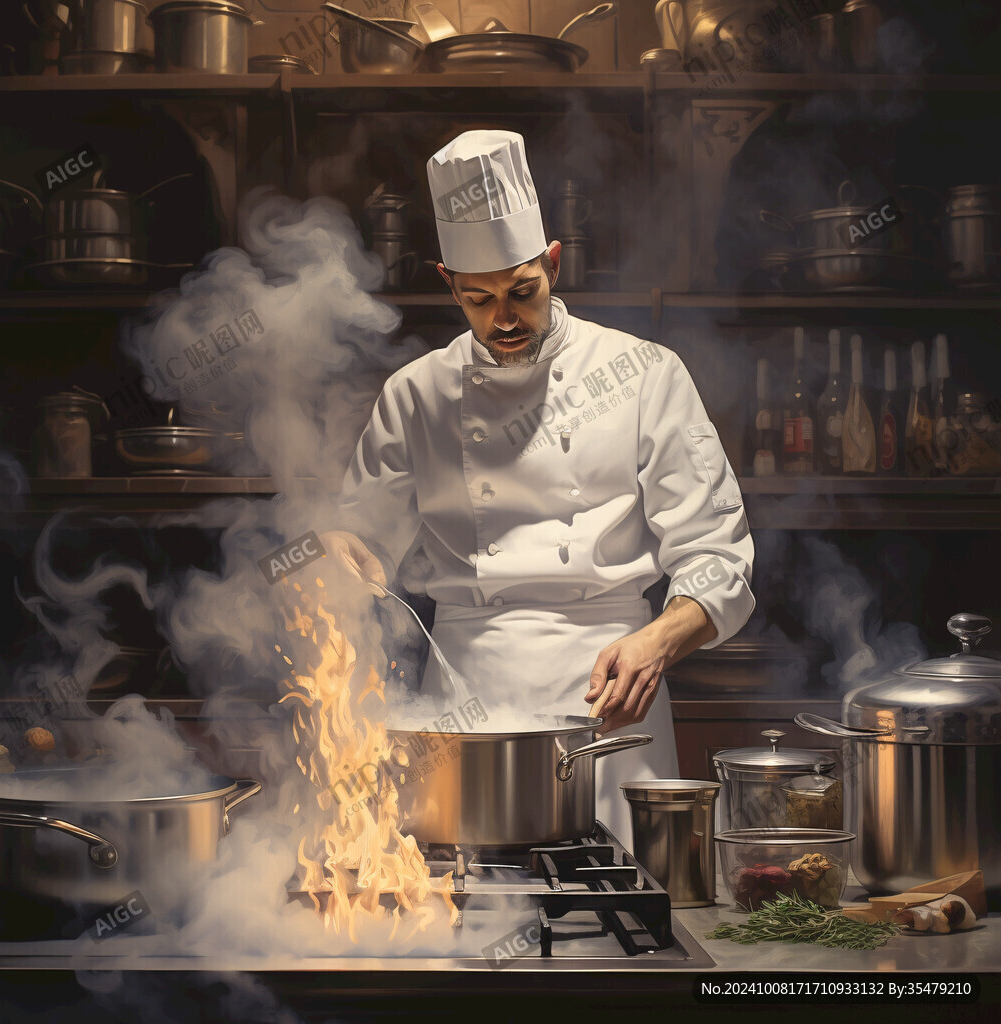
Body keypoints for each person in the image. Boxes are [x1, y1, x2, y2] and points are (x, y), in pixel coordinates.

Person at [322, 129, 754, 847]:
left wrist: (657, 641)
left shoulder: (645, 373)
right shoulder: (416, 394)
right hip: (463, 704)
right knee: (465, 919)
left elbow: (720, 560)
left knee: (621, 916)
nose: (505, 318)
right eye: (478, 299)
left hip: (610, 700)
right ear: (447, 283)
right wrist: (341, 550)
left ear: (553, 262)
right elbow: (359, 536)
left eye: (523, 291)